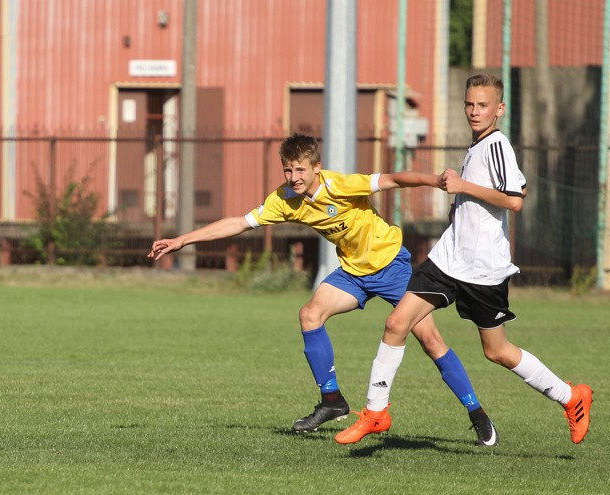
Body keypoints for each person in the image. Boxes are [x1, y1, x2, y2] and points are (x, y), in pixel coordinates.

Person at [149, 133, 498, 443]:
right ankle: (332, 401)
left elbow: (392, 179)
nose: (294, 177)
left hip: (392, 266)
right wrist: (182, 240)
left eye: (300, 170)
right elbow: (239, 223)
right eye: (288, 170)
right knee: (310, 314)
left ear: (317, 167)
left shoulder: (340, 185)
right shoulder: (286, 198)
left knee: (431, 341)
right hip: (353, 273)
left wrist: (435, 180)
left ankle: (476, 412)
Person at [335, 74, 593, 446]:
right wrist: (460, 199)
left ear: (499, 109)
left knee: (497, 351)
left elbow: (515, 200)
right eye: (469, 104)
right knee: (396, 323)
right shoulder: (478, 145)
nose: (474, 111)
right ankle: (376, 413)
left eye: (482, 105)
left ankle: (571, 397)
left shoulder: (497, 144)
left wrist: (463, 187)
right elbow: (516, 185)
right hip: (448, 258)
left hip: (482, 267)